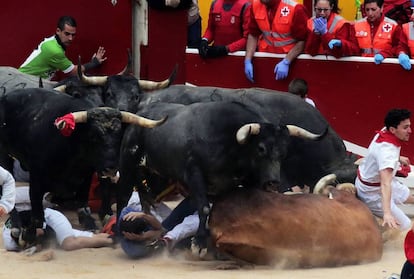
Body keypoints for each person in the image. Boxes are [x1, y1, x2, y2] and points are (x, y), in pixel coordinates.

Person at [2, 162, 114, 252]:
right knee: (88, 237)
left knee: (69, 244)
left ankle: (113, 242)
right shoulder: (10, 244)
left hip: (51, 218)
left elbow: (49, 232)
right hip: (41, 217)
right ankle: (112, 239)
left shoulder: (22, 214)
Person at [355, 108, 414, 231]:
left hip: (374, 181)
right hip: (372, 193)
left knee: (411, 197)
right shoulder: (387, 153)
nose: (410, 131)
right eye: (405, 127)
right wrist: (387, 213)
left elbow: (378, 153)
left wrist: (398, 158)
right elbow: (385, 184)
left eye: (409, 126)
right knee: (407, 226)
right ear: (393, 129)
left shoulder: (386, 130)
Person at [18, 15, 107, 80]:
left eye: (73, 35)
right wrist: (94, 62)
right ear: (58, 31)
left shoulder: (54, 42)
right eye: (67, 34)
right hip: (24, 84)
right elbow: (74, 72)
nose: (70, 38)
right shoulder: (54, 50)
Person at [118, 189, 199, 258]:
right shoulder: (133, 250)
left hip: (146, 207)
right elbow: (161, 230)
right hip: (160, 232)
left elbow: (159, 228)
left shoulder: (128, 212)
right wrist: (142, 237)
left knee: (192, 203)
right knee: (174, 228)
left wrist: (144, 216)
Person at [244, 0, 309, 82]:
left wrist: (286, 61)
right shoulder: (255, 5)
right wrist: (247, 60)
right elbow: (253, 35)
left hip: (290, 62)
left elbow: (303, 41)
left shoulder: (295, 8)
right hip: (265, 60)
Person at [354, 0, 402, 65]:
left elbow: (398, 47)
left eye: (373, 9)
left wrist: (385, 54)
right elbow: (353, 47)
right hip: (362, 66)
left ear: (381, 8)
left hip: (385, 67)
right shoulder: (357, 25)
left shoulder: (393, 26)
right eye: (367, 10)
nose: (370, 13)